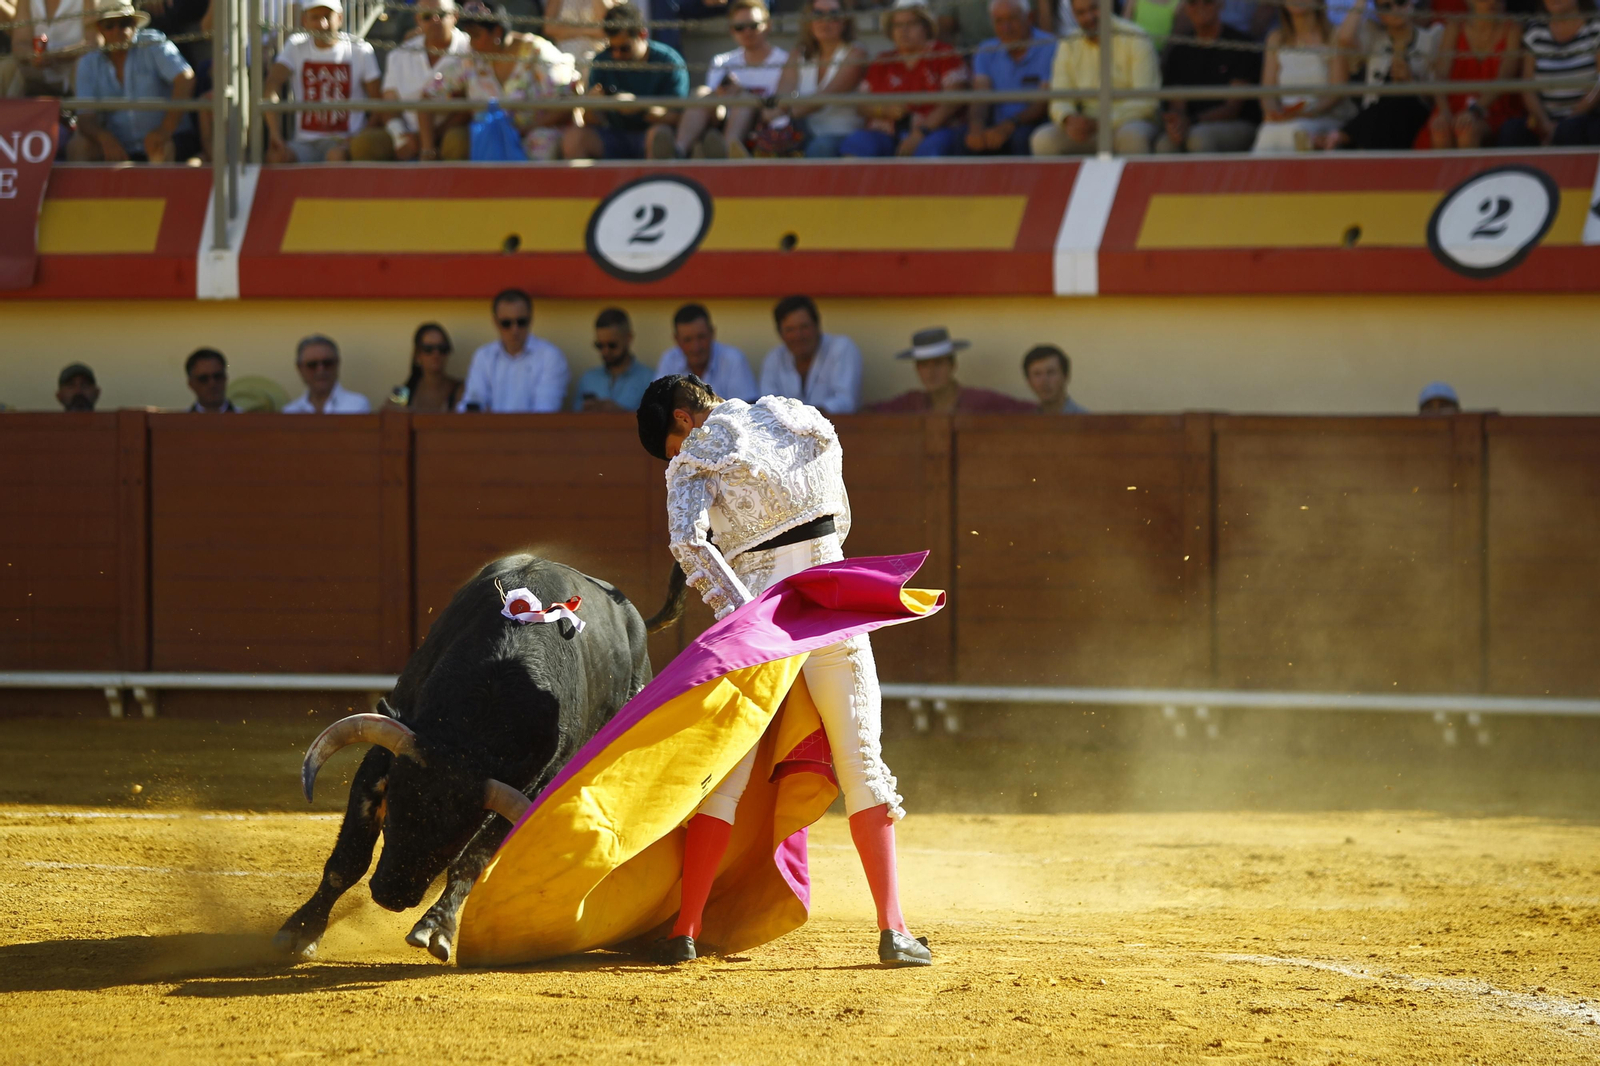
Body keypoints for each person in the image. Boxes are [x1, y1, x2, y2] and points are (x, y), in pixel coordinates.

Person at [635, 374, 932, 969]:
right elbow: (837, 519)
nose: (673, 457)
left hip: (764, 620)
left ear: (681, 419)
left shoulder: (695, 453)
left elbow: (689, 543)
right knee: (864, 764)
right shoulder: (801, 417)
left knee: (724, 773)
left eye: (668, 445)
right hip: (832, 605)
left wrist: (744, 614)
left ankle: (685, 929)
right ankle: (894, 931)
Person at [419, 1, 578, 161]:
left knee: (541, 143)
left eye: (476, 35)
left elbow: (566, 104)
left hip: (536, 136)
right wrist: (428, 148)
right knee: (465, 141)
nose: (471, 42)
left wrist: (524, 130)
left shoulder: (538, 52)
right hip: (488, 142)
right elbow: (428, 96)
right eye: (469, 35)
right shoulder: (471, 58)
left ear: (497, 32)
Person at [66, 1, 200, 163]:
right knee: (78, 147)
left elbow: (186, 79)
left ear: (135, 24)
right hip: (120, 144)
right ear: (100, 29)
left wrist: (165, 130)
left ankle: (156, 188)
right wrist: (104, 138)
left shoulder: (153, 42)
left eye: (124, 23)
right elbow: (85, 117)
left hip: (169, 137)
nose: (118, 31)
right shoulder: (88, 63)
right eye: (109, 25)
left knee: (159, 148)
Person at [262, 0, 391, 162]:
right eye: (315, 17)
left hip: (343, 142)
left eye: (327, 16)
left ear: (340, 18)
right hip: (304, 143)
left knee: (336, 156)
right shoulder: (295, 46)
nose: (322, 24)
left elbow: (378, 104)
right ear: (305, 21)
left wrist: (358, 140)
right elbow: (272, 85)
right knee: (276, 158)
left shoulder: (360, 49)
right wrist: (275, 134)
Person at [839, 0, 968, 157]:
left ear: (926, 26)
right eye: (897, 25)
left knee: (931, 148)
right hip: (886, 133)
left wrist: (920, 133)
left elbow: (954, 99)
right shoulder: (883, 61)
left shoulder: (944, 54)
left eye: (911, 23)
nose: (903, 30)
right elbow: (861, 105)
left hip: (935, 132)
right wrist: (883, 110)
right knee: (857, 143)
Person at [1308, 0, 1443, 151]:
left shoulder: (1432, 37)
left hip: (1412, 119)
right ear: (1378, 12)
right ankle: (1341, 138)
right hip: (1373, 122)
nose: (1395, 9)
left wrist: (1411, 81)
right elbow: (1345, 38)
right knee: (1386, 100)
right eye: (1386, 6)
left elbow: (1435, 98)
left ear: (1411, 3)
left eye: (1401, 2)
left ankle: (1340, 137)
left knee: (1400, 97)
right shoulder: (1374, 37)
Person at [1030, 0, 1160, 155]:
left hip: (1128, 122)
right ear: (1073, 14)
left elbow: (1146, 102)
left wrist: (1102, 122)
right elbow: (1059, 97)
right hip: (1087, 126)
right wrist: (1069, 119)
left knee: (1131, 137)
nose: (1089, 17)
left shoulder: (1136, 37)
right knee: (1043, 140)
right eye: (1081, 13)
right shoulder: (1069, 43)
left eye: (1094, 8)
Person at [563, 2, 688, 161]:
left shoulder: (668, 61)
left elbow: (677, 117)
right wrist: (592, 106)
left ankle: (654, 183)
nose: (616, 55)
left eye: (624, 48)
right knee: (574, 138)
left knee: (659, 135)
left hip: (652, 133)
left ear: (642, 35)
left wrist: (638, 107)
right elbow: (591, 121)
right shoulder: (602, 61)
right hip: (615, 135)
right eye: (611, 48)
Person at [676, 0, 788, 158]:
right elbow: (716, 106)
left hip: (765, 126)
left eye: (754, 25)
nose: (747, 32)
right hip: (723, 120)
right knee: (701, 93)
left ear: (768, 25)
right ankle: (677, 151)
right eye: (739, 27)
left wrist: (742, 91)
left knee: (745, 100)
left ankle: (725, 152)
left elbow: (779, 108)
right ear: (731, 30)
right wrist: (724, 94)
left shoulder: (785, 61)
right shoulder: (722, 61)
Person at [1155, 0, 1262, 154]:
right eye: (1193, 2)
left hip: (1238, 123)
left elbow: (1232, 109)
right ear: (1185, 8)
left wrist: (1192, 121)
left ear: (1221, 4)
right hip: (1192, 124)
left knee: (1199, 138)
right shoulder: (1179, 51)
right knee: (1165, 144)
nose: (1200, 7)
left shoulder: (1240, 45)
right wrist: (1177, 124)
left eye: (1208, 2)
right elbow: (1177, 105)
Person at [767, 0, 868, 158]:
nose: (825, 21)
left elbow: (825, 97)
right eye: (818, 14)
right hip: (802, 131)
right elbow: (781, 98)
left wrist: (786, 112)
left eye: (834, 15)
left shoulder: (856, 53)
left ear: (845, 21)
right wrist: (771, 114)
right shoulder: (798, 54)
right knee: (771, 141)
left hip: (842, 135)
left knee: (819, 148)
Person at [1251, 0, 1352, 152]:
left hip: (1323, 117)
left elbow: (1337, 91)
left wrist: (1307, 113)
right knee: (1267, 133)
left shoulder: (1334, 35)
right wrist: (1274, 114)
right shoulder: (1275, 38)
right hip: (1284, 118)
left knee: (1295, 132)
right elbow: (1267, 92)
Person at [959, 0, 1055, 156]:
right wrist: (976, 127)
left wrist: (1009, 125)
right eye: (999, 21)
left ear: (1029, 17)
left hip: (1032, 123)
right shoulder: (986, 49)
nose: (1006, 28)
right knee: (964, 138)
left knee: (1021, 137)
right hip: (998, 124)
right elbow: (980, 96)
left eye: (1012, 19)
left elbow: (1043, 102)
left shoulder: (1050, 46)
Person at [380, 0, 471, 161]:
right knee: (365, 144)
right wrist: (399, 136)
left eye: (442, 14)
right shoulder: (400, 54)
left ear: (455, 16)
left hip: (451, 131)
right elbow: (388, 102)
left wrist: (429, 139)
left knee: (458, 141)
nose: (435, 20)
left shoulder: (472, 50)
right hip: (407, 134)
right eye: (427, 16)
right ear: (418, 20)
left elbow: (470, 105)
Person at [1501, 0, 1600, 147]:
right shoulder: (1535, 32)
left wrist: (1569, 120)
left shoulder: (1596, 28)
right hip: (1544, 120)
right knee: (1511, 131)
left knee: (1570, 131)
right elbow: (1527, 86)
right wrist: (1545, 124)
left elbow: (1598, 85)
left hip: (1585, 118)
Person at [1428, 0, 1523, 149]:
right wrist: (1444, 111)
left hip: (1493, 107)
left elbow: (1505, 77)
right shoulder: (1455, 26)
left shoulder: (1512, 28)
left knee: (1466, 130)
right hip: (1454, 105)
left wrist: (1474, 111)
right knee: (1440, 131)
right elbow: (1440, 74)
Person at [870, 328, 1036, 413]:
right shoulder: (909, 403)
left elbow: (1030, 411)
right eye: (924, 365)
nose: (931, 372)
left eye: (938, 364)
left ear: (953, 365)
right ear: (917, 369)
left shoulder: (981, 401)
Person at [458, 288, 569, 412]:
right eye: (506, 323)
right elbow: (474, 405)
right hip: (490, 431)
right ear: (495, 322)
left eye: (521, 322)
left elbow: (544, 412)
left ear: (530, 320)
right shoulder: (484, 356)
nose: (514, 330)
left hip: (533, 431)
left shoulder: (550, 356)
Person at [758, 295, 862, 415]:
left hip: (839, 431)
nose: (798, 336)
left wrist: (802, 416)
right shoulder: (774, 358)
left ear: (817, 326)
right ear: (780, 334)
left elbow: (846, 402)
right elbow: (766, 407)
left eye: (804, 327)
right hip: (786, 431)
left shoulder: (841, 348)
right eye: (790, 330)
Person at [654, 303, 759, 401]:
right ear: (677, 340)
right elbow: (658, 406)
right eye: (687, 340)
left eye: (701, 337)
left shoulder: (733, 359)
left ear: (712, 333)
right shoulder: (669, 360)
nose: (696, 347)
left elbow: (747, 409)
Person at [1, 0, 88, 98]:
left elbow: (93, 43)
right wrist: (34, 57)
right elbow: (20, 43)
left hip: (73, 69)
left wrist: (58, 56)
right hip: (35, 72)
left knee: (85, 64)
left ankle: (83, 111)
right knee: (6, 68)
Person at [573, 307, 655, 411]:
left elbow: (655, 424)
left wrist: (619, 413)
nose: (605, 351)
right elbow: (575, 421)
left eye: (612, 345)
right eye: (600, 345)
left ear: (628, 338)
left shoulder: (649, 380)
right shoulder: (588, 379)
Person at [284, 335, 372, 413]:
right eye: (312, 365)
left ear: (337, 364)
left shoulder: (356, 405)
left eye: (327, 363)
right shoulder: (291, 411)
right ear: (300, 368)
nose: (320, 370)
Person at [387, 323, 464, 412]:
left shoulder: (460, 390)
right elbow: (388, 419)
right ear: (417, 355)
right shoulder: (402, 393)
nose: (436, 354)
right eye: (428, 349)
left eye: (442, 349)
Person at [540, 0, 618, 68]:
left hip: (595, 57)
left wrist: (567, 30)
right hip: (563, 57)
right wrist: (589, 30)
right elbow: (549, 28)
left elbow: (607, 29)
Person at [1022, 344, 1087, 413]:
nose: (1044, 381)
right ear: (1028, 381)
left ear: (1065, 376)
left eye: (1051, 372)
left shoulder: (1087, 421)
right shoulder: (1026, 422)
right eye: (1037, 374)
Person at [185, 348, 237, 413]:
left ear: (225, 378)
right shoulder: (179, 422)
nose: (212, 384)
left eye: (217, 377)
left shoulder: (246, 419)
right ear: (191, 384)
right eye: (203, 379)